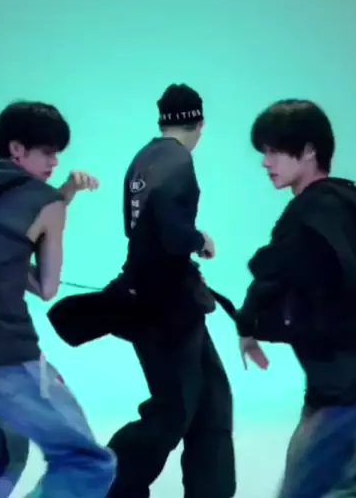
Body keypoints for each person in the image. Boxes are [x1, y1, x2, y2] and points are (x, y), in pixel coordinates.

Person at [236, 98, 356, 498]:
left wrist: (250, 324)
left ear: (309, 150)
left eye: (275, 151)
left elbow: (276, 275)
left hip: (350, 393)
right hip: (353, 388)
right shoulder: (338, 208)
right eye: (264, 151)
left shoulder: (316, 216)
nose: (266, 162)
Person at [0, 100, 117, 498]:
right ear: (17, 149)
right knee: (87, 461)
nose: (55, 162)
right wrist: (63, 199)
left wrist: (60, 195)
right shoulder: (47, 201)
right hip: (6, 354)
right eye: (47, 152)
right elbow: (47, 287)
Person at [106, 84, 236, 498]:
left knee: (211, 401)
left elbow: (135, 228)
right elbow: (172, 232)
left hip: (161, 296)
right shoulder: (179, 161)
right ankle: (107, 483)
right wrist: (199, 240)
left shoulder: (143, 158)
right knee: (174, 409)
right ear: (200, 123)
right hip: (166, 305)